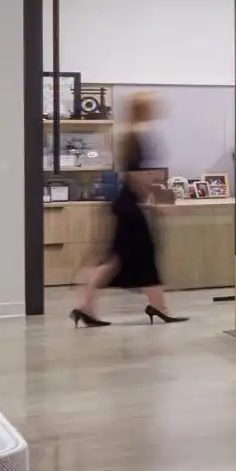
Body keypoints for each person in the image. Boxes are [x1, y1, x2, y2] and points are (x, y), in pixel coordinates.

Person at [73, 94, 183, 327]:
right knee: (121, 259)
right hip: (130, 206)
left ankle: (89, 306)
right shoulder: (139, 135)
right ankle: (87, 306)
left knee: (124, 257)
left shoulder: (129, 134)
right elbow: (136, 175)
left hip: (125, 204)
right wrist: (153, 202)